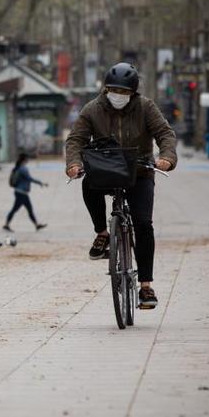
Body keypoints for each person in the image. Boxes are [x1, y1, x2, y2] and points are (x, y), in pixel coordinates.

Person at [65, 62, 177, 310]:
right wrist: (73, 164)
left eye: (124, 92)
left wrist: (167, 158)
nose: (118, 96)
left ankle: (146, 286)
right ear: (105, 89)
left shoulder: (146, 107)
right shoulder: (92, 109)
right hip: (106, 170)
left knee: (143, 225)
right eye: (114, 90)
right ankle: (102, 233)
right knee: (87, 184)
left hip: (139, 172)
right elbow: (76, 139)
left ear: (133, 93)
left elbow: (165, 134)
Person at [3, 152, 48, 232]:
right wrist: (41, 183)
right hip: (21, 193)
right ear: (24, 159)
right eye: (27, 158)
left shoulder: (19, 167)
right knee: (15, 209)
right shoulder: (23, 169)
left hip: (21, 192)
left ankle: (37, 225)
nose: (28, 160)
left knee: (29, 209)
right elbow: (30, 178)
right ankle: (6, 224)